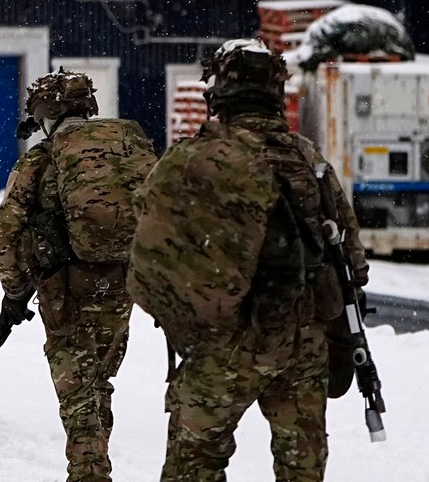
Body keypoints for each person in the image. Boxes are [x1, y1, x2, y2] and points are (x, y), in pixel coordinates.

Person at [132, 40, 369, 482]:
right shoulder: (308, 159)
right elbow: (352, 259)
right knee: (302, 470)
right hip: (302, 341)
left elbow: (150, 244)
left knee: (193, 464)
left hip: (223, 345)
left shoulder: (194, 158)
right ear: (276, 94)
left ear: (218, 94)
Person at [0, 71, 159, 482]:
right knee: (99, 378)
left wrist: (14, 293)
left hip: (64, 287)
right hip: (121, 281)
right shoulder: (126, 147)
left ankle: (88, 473)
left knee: (76, 386)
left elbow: (6, 228)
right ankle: (95, 465)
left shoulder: (42, 159)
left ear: (46, 114)